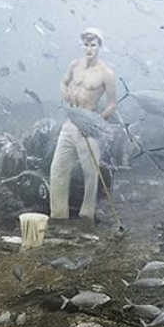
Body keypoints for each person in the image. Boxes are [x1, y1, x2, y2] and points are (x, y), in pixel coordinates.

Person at [50, 28, 117, 229]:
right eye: (86, 45)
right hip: (71, 121)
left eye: (93, 45)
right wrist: (65, 94)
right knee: (57, 169)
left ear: (100, 46)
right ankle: (58, 215)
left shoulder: (107, 73)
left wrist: (95, 122)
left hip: (88, 125)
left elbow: (112, 104)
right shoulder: (74, 65)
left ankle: (86, 218)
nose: (89, 49)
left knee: (90, 173)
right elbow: (63, 83)